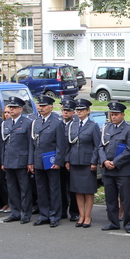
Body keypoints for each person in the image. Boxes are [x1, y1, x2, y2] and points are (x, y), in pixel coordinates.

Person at [98, 101, 130, 232]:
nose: (113, 117)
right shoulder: (106, 128)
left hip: (122, 170)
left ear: (123, 115)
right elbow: (100, 147)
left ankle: (129, 223)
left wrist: (115, 162)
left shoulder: (129, 129)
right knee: (110, 198)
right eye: (112, 114)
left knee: (125, 198)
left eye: (116, 114)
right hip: (107, 169)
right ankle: (113, 222)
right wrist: (104, 161)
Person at [31, 94, 67, 228]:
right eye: (40, 105)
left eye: (44, 106)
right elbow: (32, 144)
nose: (41, 108)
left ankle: (54, 216)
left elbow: (60, 145)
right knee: (41, 189)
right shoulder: (36, 122)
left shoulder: (57, 122)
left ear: (51, 107)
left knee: (54, 189)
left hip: (51, 161)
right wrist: (31, 161)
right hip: (38, 160)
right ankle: (44, 215)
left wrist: (58, 161)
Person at [66, 98, 100, 228]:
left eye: (82, 110)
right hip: (75, 161)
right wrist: (67, 160)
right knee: (77, 190)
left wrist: (94, 161)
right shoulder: (73, 125)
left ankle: (88, 215)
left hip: (87, 162)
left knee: (88, 190)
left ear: (88, 111)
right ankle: (81, 215)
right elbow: (68, 145)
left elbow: (97, 145)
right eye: (78, 110)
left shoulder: (93, 125)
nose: (79, 112)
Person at [0, 97, 34, 224]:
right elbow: (3, 144)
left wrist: (30, 161)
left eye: (14, 108)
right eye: (10, 107)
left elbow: (30, 144)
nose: (11, 110)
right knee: (11, 189)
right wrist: (3, 161)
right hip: (9, 160)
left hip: (21, 160)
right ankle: (14, 212)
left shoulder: (27, 123)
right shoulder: (6, 123)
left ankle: (26, 213)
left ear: (20, 109)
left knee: (24, 189)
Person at [59, 98, 80, 221]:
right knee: (61, 187)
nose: (65, 112)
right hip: (59, 160)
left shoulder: (76, 125)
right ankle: (62, 210)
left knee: (73, 187)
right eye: (64, 110)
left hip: (71, 160)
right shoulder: (58, 124)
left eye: (68, 111)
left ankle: (74, 211)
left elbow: (72, 145)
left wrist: (67, 160)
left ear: (73, 112)